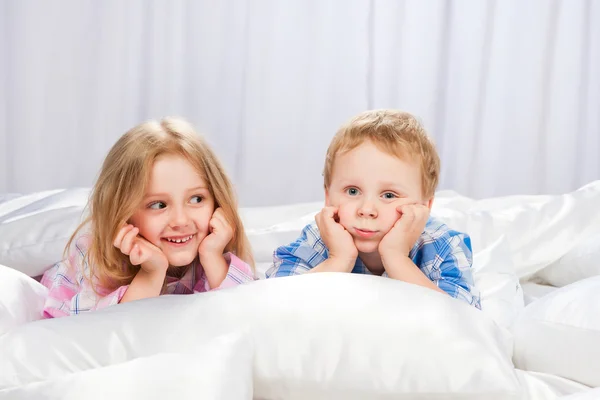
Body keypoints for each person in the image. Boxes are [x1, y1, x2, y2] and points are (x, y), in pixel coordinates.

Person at [41, 117, 255, 318]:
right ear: (123, 213)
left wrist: (213, 257)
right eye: (158, 205)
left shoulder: (213, 248)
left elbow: (247, 316)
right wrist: (151, 274)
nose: (181, 221)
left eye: (197, 199)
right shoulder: (95, 258)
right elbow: (105, 334)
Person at [266, 109, 480, 309]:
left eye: (388, 195)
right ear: (328, 196)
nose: (367, 209)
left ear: (425, 207)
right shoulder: (321, 238)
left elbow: (463, 319)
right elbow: (268, 301)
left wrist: (397, 258)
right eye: (352, 191)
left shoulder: (441, 245)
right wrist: (338, 259)